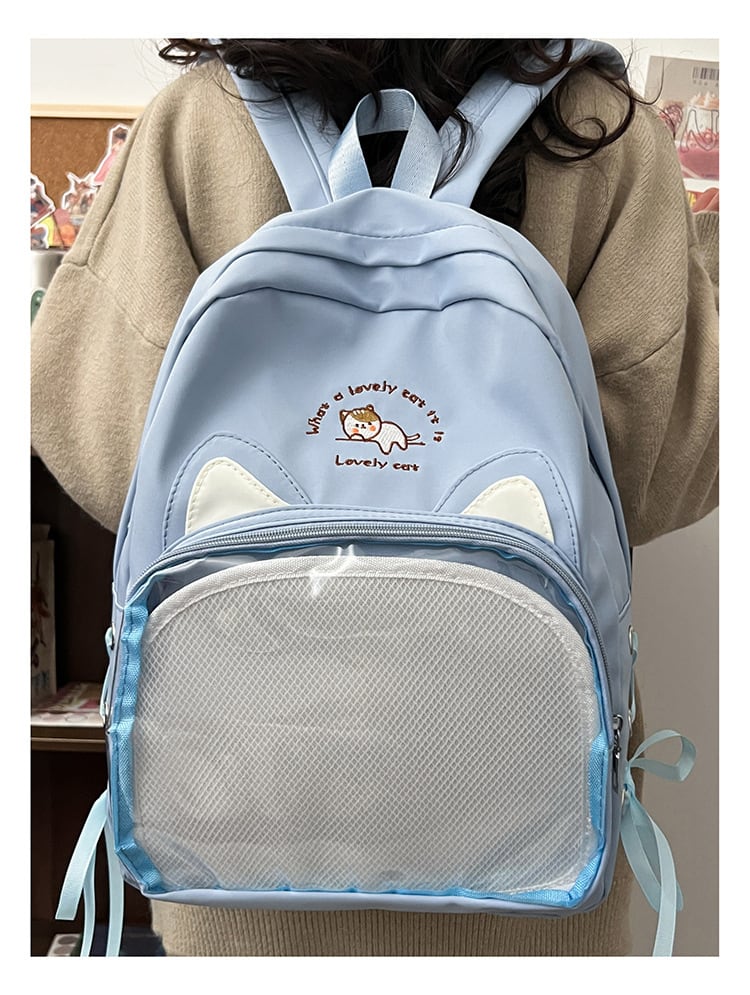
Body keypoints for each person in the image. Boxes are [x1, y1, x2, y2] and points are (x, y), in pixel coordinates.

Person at [30, 39, 718, 956]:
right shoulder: (598, 131)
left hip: (243, 846)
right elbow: (673, 469)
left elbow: (99, 444)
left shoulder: (197, 121)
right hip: (533, 839)